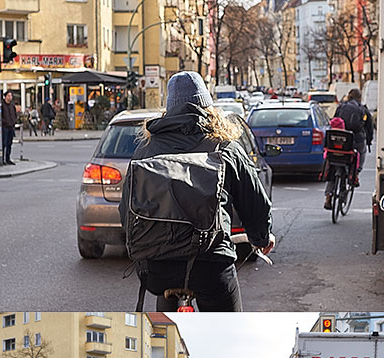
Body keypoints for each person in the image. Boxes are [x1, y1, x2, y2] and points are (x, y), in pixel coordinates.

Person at [118, 71, 275, 312]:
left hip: (156, 270)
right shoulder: (225, 147)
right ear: (208, 106)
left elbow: (126, 210)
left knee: (165, 326)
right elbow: (254, 202)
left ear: (168, 108)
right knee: (228, 330)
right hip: (211, 266)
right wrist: (261, 238)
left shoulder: (145, 149)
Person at [325, 88, 374, 209]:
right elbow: (369, 127)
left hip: (339, 141)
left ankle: (328, 197)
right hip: (356, 140)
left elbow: (334, 121)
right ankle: (356, 174)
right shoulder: (363, 109)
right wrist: (369, 141)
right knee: (361, 153)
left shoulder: (341, 106)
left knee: (334, 165)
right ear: (359, 98)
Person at [0, 91, 18, 165]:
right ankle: (2, 159)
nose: (10, 97)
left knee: (9, 144)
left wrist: (14, 121)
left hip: (11, 127)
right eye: (9, 96)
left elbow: (14, 114)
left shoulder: (12, 105)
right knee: (4, 144)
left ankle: (8, 158)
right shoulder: (1, 105)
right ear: (5, 96)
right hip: (5, 127)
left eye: (11, 96)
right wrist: (4, 121)